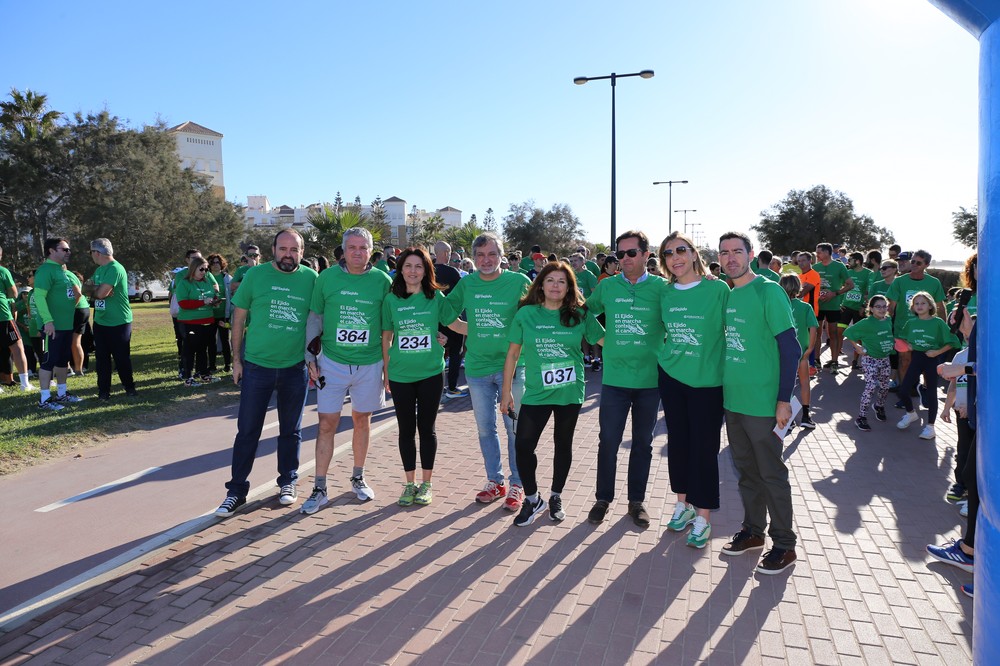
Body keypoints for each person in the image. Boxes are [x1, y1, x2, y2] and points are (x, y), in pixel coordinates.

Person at [215, 229, 318, 516]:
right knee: (247, 431)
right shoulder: (255, 276)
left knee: (291, 431)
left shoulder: (311, 279)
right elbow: (239, 317)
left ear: (302, 251)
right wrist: (236, 359)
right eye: (283, 248)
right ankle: (236, 491)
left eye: (294, 249)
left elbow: (319, 318)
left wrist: (314, 358)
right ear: (273, 249)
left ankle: (288, 482)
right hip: (257, 366)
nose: (288, 254)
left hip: (294, 367)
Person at [718, 231, 800, 574]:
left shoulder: (769, 290)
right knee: (746, 473)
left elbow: (791, 348)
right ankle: (753, 532)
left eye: (737, 251)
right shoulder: (726, 295)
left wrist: (784, 400)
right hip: (733, 402)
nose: (731, 258)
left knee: (771, 474)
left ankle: (784, 544)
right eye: (724, 253)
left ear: (750, 255)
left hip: (765, 404)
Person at [499, 261, 604, 526]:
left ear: (569, 287)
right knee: (523, 445)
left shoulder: (579, 314)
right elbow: (512, 354)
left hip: (569, 391)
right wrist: (506, 391)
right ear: (541, 285)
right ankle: (533, 498)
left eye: (562, 281)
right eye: (551, 280)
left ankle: (556, 495)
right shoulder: (526, 314)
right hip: (536, 392)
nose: (556, 286)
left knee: (562, 444)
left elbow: (605, 341)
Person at [299, 227, 392, 514]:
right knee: (327, 423)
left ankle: (358, 476)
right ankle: (319, 487)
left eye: (363, 248)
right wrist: (309, 355)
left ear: (370, 250)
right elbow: (315, 317)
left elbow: (392, 323)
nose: (357, 252)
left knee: (361, 420)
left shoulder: (383, 281)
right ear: (343, 250)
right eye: (352, 247)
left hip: (369, 362)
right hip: (333, 363)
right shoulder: (327, 278)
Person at [586, 230, 667, 528]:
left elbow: (684, 316)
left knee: (642, 443)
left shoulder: (662, 288)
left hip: (650, 382)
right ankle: (602, 498)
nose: (624, 259)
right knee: (608, 440)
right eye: (619, 255)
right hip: (615, 381)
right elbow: (585, 313)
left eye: (631, 253)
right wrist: (603, 340)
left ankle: (636, 501)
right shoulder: (608, 287)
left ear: (646, 254)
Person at [446, 232, 531, 511]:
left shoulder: (518, 282)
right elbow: (447, 314)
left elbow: (536, 315)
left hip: (514, 368)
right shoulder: (467, 283)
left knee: (515, 428)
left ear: (501, 256)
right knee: (486, 429)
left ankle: (518, 483)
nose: (486, 260)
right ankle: (495, 481)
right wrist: (470, 329)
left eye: (492, 254)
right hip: (478, 369)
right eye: (480, 255)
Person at [657, 232, 728, 548]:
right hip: (672, 376)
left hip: (708, 382)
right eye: (668, 253)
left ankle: (703, 518)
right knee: (679, 444)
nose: (675, 257)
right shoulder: (665, 293)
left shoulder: (717, 289)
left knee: (704, 448)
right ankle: (682, 505)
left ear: (694, 253)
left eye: (681, 250)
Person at [382, 247, 464, 507]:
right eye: (408, 266)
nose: (413, 271)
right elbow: (387, 337)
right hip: (400, 374)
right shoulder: (391, 299)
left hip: (430, 373)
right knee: (405, 430)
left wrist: (489, 331)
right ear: (400, 269)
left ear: (426, 270)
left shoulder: (435, 297)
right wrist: (386, 371)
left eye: (419, 266)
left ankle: (427, 484)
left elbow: (455, 326)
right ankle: (409, 484)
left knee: (426, 430)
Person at [927, 311, 977, 592]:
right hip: (974, 418)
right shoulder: (970, 351)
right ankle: (970, 551)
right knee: (970, 473)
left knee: (974, 477)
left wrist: (964, 369)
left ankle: (970, 551)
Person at [895, 292, 960, 440]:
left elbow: (953, 342)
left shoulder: (937, 323)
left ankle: (930, 427)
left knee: (931, 394)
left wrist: (937, 351)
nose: (919, 306)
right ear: (912, 307)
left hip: (932, 359)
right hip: (917, 358)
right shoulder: (911, 323)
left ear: (930, 305)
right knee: (904, 390)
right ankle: (911, 414)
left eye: (923, 303)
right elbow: (901, 339)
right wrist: (908, 346)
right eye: (916, 303)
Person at [33, 239, 84, 410]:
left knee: (62, 361)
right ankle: (44, 399)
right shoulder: (45, 271)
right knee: (48, 361)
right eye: (64, 249)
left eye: (69, 249)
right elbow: (39, 297)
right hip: (52, 327)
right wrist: (48, 321)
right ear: (51, 251)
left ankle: (62, 394)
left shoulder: (62, 271)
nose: (68, 252)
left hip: (65, 325)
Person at [887, 249, 945, 389]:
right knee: (904, 360)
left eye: (918, 263)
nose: (913, 265)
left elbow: (940, 307)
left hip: (927, 330)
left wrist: (943, 328)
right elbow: (891, 307)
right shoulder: (899, 281)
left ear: (926, 265)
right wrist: (886, 325)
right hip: (903, 329)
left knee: (926, 362)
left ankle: (925, 390)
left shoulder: (934, 283)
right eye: (912, 261)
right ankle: (904, 390)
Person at [88, 238, 136, 399]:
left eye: (91, 252)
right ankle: (103, 392)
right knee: (102, 359)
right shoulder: (99, 270)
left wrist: (97, 291)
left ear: (97, 253)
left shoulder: (115, 268)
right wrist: (97, 290)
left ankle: (129, 388)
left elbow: (100, 294)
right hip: (101, 321)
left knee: (121, 358)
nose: (91, 256)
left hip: (119, 321)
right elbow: (87, 288)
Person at [844, 295, 895, 431]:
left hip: (885, 359)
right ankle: (861, 417)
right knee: (871, 386)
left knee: (885, 387)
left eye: (884, 306)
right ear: (871, 309)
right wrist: (857, 347)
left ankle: (879, 406)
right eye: (878, 306)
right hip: (870, 359)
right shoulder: (866, 323)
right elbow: (848, 332)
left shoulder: (888, 320)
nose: (882, 309)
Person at [175, 256, 221, 386]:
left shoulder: (206, 282)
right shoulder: (184, 283)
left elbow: (212, 296)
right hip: (190, 322)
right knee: (189, 350)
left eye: (206, 269)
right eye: (201, 269)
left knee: (203, 349)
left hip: (207, 321)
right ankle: (188, 378)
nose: (204, 272)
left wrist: (214, 302)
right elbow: (183, 303)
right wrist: (202, 302)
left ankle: (204, 374)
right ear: (193, 268)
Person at [780, 274, 818, 428]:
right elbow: (813, 328)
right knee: (804, 383)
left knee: (785, 383)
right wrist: (809, 349)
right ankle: (806, 416)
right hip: (801, 351)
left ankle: (787, 419)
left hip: (783, 351)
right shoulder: (805, 306)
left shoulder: (779, 305)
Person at [433, 240, 468, 400]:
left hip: (433, 319)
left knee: (437, 354)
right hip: (452, 318)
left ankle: (436, 388)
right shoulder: (453, 272)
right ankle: (452, 388)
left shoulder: (428, 270)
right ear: (446, 253)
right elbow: (463, 295)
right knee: (456, 353)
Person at [813, 242, 854, 371]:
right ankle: (817, 360)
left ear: (827, 252)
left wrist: (834, 293)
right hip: (818, 306)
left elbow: (850, 285)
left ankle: (834, 362)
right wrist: (816, 295)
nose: (817, 254)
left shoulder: (839, 266)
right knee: (817, 334)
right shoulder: (815, 267)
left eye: (819, 252)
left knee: (833, 334)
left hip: (834, 306)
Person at [0, 245, 33, 391]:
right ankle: (25, 384)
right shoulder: (2, 271)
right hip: (2, 314)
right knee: (17, 347)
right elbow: (13, 293)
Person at [841, 251, 874, 367]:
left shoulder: (868, 273)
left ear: (858, 261)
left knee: (859, 336)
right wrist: (840, 303)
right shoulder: (847, 272)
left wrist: (864, 306)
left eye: (850, 260)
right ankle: (834, 360)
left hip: (859, 309)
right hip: (845, 307)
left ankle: (855, 360)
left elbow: (869, 292)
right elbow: (841, 288)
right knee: (839, 332)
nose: (848, 262)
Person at [207, 253, 232, 374]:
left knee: (225, 340)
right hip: (210, 314)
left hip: (224, 314)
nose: (215, 265)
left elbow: (233, 294)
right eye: (212, 262)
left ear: (221, 264)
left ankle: (228, 365)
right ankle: (211, 365)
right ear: (209, 265)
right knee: (211, 341)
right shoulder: (206, 277)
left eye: (217, 262)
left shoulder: (227, 278)